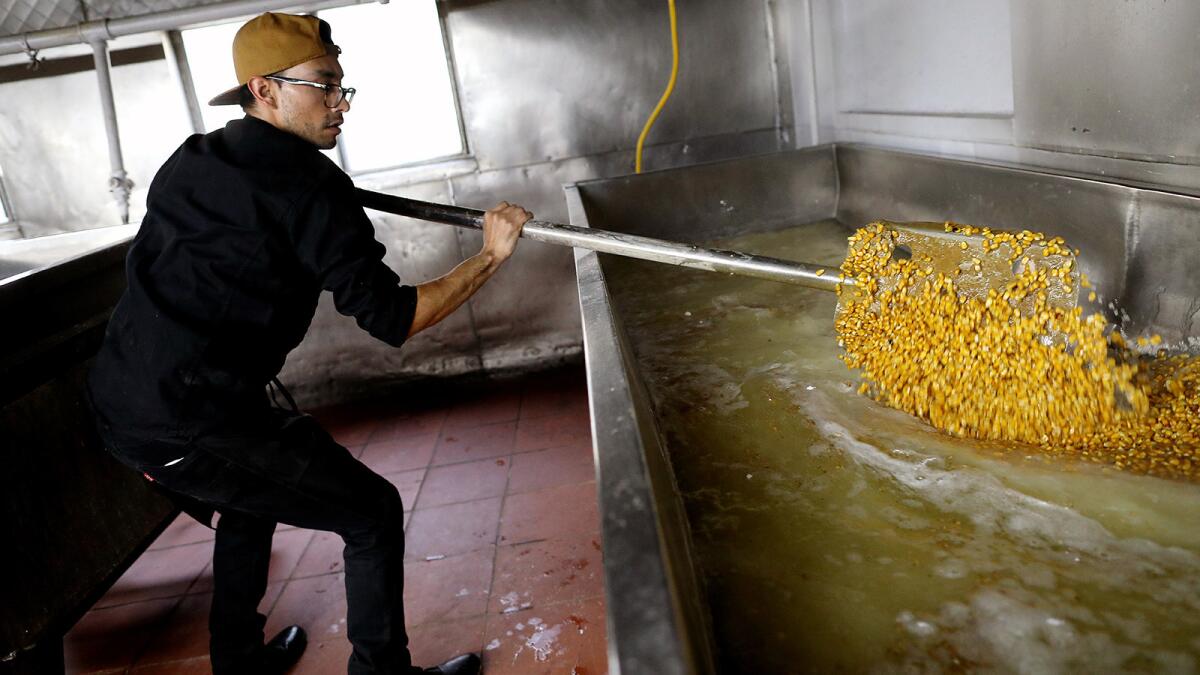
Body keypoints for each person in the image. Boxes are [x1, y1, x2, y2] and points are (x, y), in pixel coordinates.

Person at [86, 12, 530, 675]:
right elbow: (394, 318)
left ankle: (238, 662)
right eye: (322, 85)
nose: (339, 102)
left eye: (342, 85)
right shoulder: (315, 191)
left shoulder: (194, 158)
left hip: (123, 395)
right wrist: (492, 255)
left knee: (247, 502)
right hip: (187, 417)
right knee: (371, 512)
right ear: (263, 90)